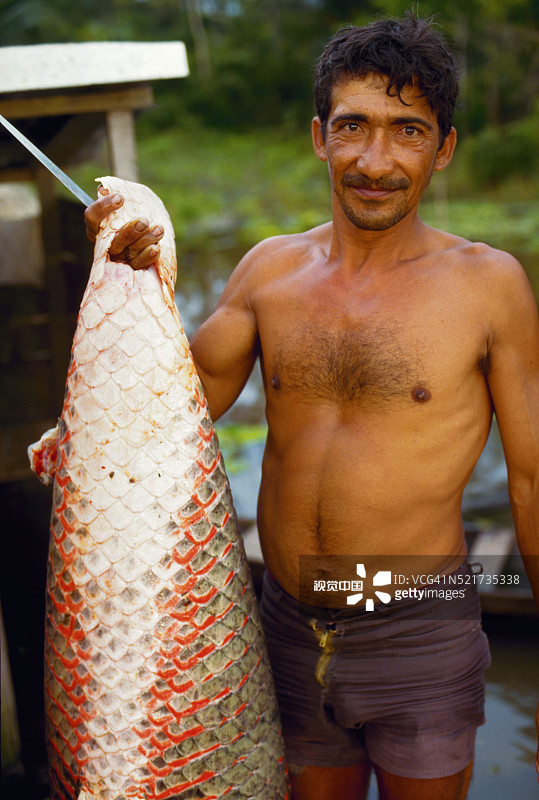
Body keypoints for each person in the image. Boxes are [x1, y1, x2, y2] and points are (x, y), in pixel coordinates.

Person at [85, 13, 539, 800]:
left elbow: (529, 482)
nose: (374, 160)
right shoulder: (268, 272)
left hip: (416, 625)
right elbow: (165, 407)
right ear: (317, 136)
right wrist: (132, 279)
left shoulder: (489, 286)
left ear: (444, 148)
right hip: (286, 623)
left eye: (406, 131)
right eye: (352, 126)